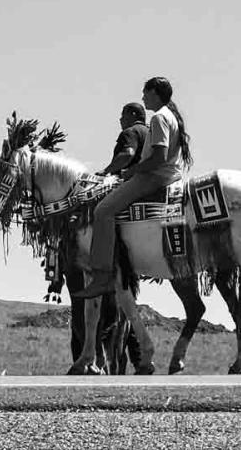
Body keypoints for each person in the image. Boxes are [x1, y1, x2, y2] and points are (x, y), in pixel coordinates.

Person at [77, 77, 191, 300]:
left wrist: (132, 171)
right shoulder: (171, 116)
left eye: (145, 93)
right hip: (171, 175)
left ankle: (102, 275)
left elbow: (158, 157)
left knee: (102, 211)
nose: (142, 98)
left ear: (155, 93)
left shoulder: (159, 118)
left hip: (154, 177)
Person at [98, 103, 148, 177]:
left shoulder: (130, 131)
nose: (120, 119)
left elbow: (128, 154)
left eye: (123, 115)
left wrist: (105, 171)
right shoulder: (150, 132)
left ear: (133, 115)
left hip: (130, 181)